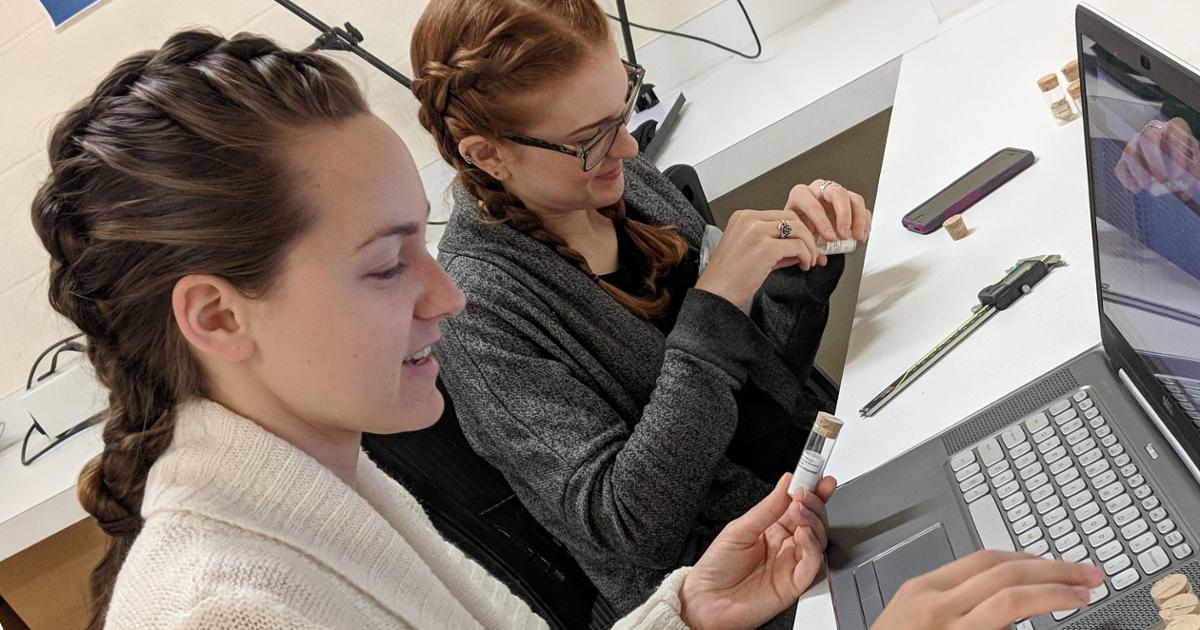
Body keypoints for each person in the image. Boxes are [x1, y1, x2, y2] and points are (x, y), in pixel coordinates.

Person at [33, 28, 1102, 630]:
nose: (440, 296)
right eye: (382, 264)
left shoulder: (331, 481)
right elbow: (624, 523)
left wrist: (685, 615)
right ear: (218, 316)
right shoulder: (223, 615)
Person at [409, 0, 865, 617]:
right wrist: (715, 304)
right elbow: (627, 528)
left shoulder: (618, 180)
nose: (626, 144)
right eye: (589, 139)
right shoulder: (479, 311)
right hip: (747, 588)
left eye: (623, 107)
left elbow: (756, 383)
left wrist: (794, 269)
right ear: (487, 154)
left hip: (827, 481)